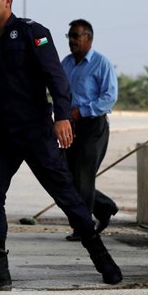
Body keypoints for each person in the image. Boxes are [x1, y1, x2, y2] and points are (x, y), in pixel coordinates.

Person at [0, 0, 123, 289]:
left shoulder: (32, 33)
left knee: (68, 197)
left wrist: (62, 117)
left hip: (37, 133)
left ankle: (103, 261)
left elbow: (55, 76)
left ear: (7, 1)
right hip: (4, 135)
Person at [61, 19, 119, 241]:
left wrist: (83, 111)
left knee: (83, 177)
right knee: (68, 178)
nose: (72, 41)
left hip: (93, 126)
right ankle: (104, 207)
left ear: (89, 38)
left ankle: (83, 228)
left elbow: (109, 97)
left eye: (76, 36)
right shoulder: (65, 64)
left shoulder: (101, 63)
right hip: (70, 126)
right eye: (70, 36)